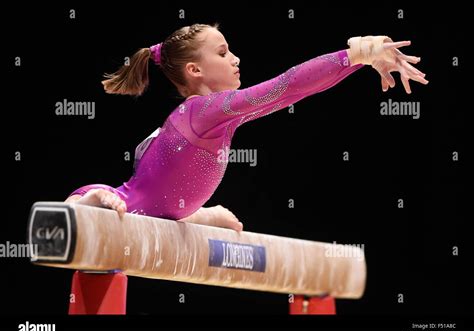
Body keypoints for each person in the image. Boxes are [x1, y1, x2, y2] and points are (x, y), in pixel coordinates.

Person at [65, 23, 428, 232]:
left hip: (154, 216)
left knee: (189, 217)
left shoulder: (216, 116)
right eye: (223, 53)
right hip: (109, 206)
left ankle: (199, 216)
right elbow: (285, 85)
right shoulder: (205, 110)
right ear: (195, 71)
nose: (236, 59)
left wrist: (357, 64)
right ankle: (94, 201)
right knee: (94, 207)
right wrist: (356, 55)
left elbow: (289, 95)